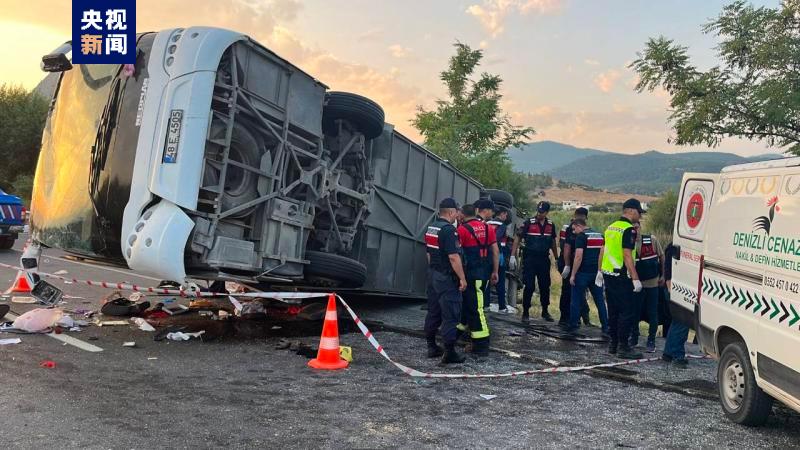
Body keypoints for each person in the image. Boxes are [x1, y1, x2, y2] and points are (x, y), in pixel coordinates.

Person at [599, 198, 645, 359]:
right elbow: (627, 255)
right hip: (622, 276)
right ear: (631, 211)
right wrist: (635, 278)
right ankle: (623, 347)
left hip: (608, 274)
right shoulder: (628, 229)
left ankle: (613, 344)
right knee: (627, 312)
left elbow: (603, 250)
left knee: (613, 311)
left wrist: (600, 271)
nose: (640, 216)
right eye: (639, 213)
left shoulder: (611, 227)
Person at [423, 198, 468, 364]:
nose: (458, 214)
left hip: (433, 274)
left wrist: (434, 269)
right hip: (446, 277)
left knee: (433, 311)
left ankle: (431, 346)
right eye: (456, 211)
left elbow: (428, 253)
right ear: (451, 212)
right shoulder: (449, 230)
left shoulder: (431, 227)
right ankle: (449, 353)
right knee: (451, 314)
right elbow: (454, 257)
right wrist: (462, 278)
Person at [456, 201, 499, 357]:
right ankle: (456, 334)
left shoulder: (461, 230)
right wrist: (495, 271)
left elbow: (456, 255)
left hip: (471, 274)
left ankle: (481, 345)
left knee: (476, 309)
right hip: (484, 272)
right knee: (469, 305)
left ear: (463, 215)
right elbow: (495, 251)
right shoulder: (488, 228)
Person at [511, 201, 558, 322]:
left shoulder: (551, 225)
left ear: (547, 212)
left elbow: (553, 242)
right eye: (538, 211)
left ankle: (545, 311)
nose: (539, 214)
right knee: (529, 286)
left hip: (543, 259)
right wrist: (512, 255)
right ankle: (525, 312)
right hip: (530, 258)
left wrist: (557, 258)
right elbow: (518, 237)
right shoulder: (528, 223)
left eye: (542, 212)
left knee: (544, 286)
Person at [567, 218, 609, 334]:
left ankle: (573, 325)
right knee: (600, 300)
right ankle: (606, 326)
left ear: (579, 226)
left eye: (574, 229)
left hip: (582, 273)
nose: (574, 232)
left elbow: (578, 256)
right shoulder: (599, 235)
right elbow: (603, 253)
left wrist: (573, 274)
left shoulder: (581, 236)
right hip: (596, 273)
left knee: (575, 300)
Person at [629, 223, 664, 353]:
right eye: (632, 228)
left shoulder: (652, 240)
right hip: (636, 284)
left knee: (653, 313)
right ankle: (634, 337)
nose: (635, 230)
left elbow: (662, 257)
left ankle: (651, 340)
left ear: (640, 228)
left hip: (652, 283)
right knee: (634, 312)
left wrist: (663, 275)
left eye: (636, 227)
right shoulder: (628, 243)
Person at [558, 207, 591, 327]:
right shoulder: (569, 228)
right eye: (580, 217)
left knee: (578, 292)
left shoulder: (584, 230)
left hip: (578, 265)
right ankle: (565, 318)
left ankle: (579, 318)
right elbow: (565, 247)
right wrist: (567, 265)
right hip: (568, 262)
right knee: (567, 291)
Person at [661, 243, 689, 367]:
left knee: (677, 322)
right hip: (674, 289)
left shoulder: (672, 247)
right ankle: (678, 356)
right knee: (683, 322)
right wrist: (670, 288)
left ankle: (668, 353)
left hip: (673, 288)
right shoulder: (674, 248)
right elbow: (668, 270)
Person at [486, 206, 517, 314]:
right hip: (499, 255)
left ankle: (485, 305)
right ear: (502, 214)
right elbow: (497, 238)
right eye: (506, 215)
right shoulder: (502, 226)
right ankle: (502, 307)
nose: (506, 217)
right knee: (500, 281)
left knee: (486, 281)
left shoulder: (487, 223)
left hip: (486, 255)